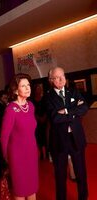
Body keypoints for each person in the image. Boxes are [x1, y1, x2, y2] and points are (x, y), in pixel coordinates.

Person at [45, 67, 88, 200]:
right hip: (59, 140)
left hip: (76, 138)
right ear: (51, 80)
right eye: (57, 77)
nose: (62, 79)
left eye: (63, 76)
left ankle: (83, 197)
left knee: (80, 172)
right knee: (60, 175)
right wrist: (74, 111)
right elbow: (55, 118)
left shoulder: (73, 91)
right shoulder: (48, 97)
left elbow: (84, 108)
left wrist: (67, 111)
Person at [0, 73, 38, 200]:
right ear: (16, 90)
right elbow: (4, 137)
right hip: (17, 157)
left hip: (31, 153)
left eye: (28, 85)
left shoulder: (31, 106)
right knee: (20, 190)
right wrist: (7, 159)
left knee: (32, 187)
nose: (28, 88)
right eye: (23, 86)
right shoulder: (11, 109)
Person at [31, 84, 48, 160]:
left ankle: (46, 154)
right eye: (37, 88)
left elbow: (47, 109)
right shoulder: (32, 100)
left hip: (45, 121)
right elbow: (32, 111)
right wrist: (38, 118)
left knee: (45, 137)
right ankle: (41, 153)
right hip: (36, 122)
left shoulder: (44, 99)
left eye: (40, 88)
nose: (39, 90)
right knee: (38, 137)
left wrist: (44, 118)